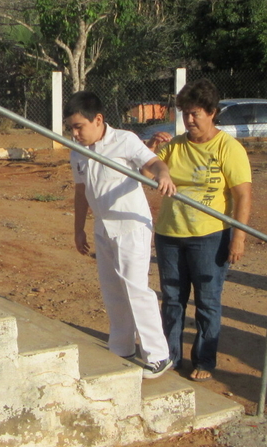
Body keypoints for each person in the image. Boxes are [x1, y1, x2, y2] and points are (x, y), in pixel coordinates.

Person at [146, 79, 252, 381]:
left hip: (209, 237)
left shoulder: (228, 148)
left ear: (212, 113)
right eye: (185, 114)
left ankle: (204, 360)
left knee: (207, 300)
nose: (189, 120)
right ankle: (171, 356)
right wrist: (152, 149)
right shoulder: (175, 145)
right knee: (173, 299)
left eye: (195, 114)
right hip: (170, 234)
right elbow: (144, 172)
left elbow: (243, 195)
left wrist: (238, 237)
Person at [65, 91, 176, 378]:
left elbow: (152, 163)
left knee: (136, 289)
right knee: (112, 289)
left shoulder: (125, 140)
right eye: (71, 128)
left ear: (98, 119)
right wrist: (79, 229)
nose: (75, 133)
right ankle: (122, 346)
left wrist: (163, 175)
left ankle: (158, 355)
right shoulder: (77, 150)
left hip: (131, 226)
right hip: (103, 227)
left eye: (79, 126)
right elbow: (81, 192)